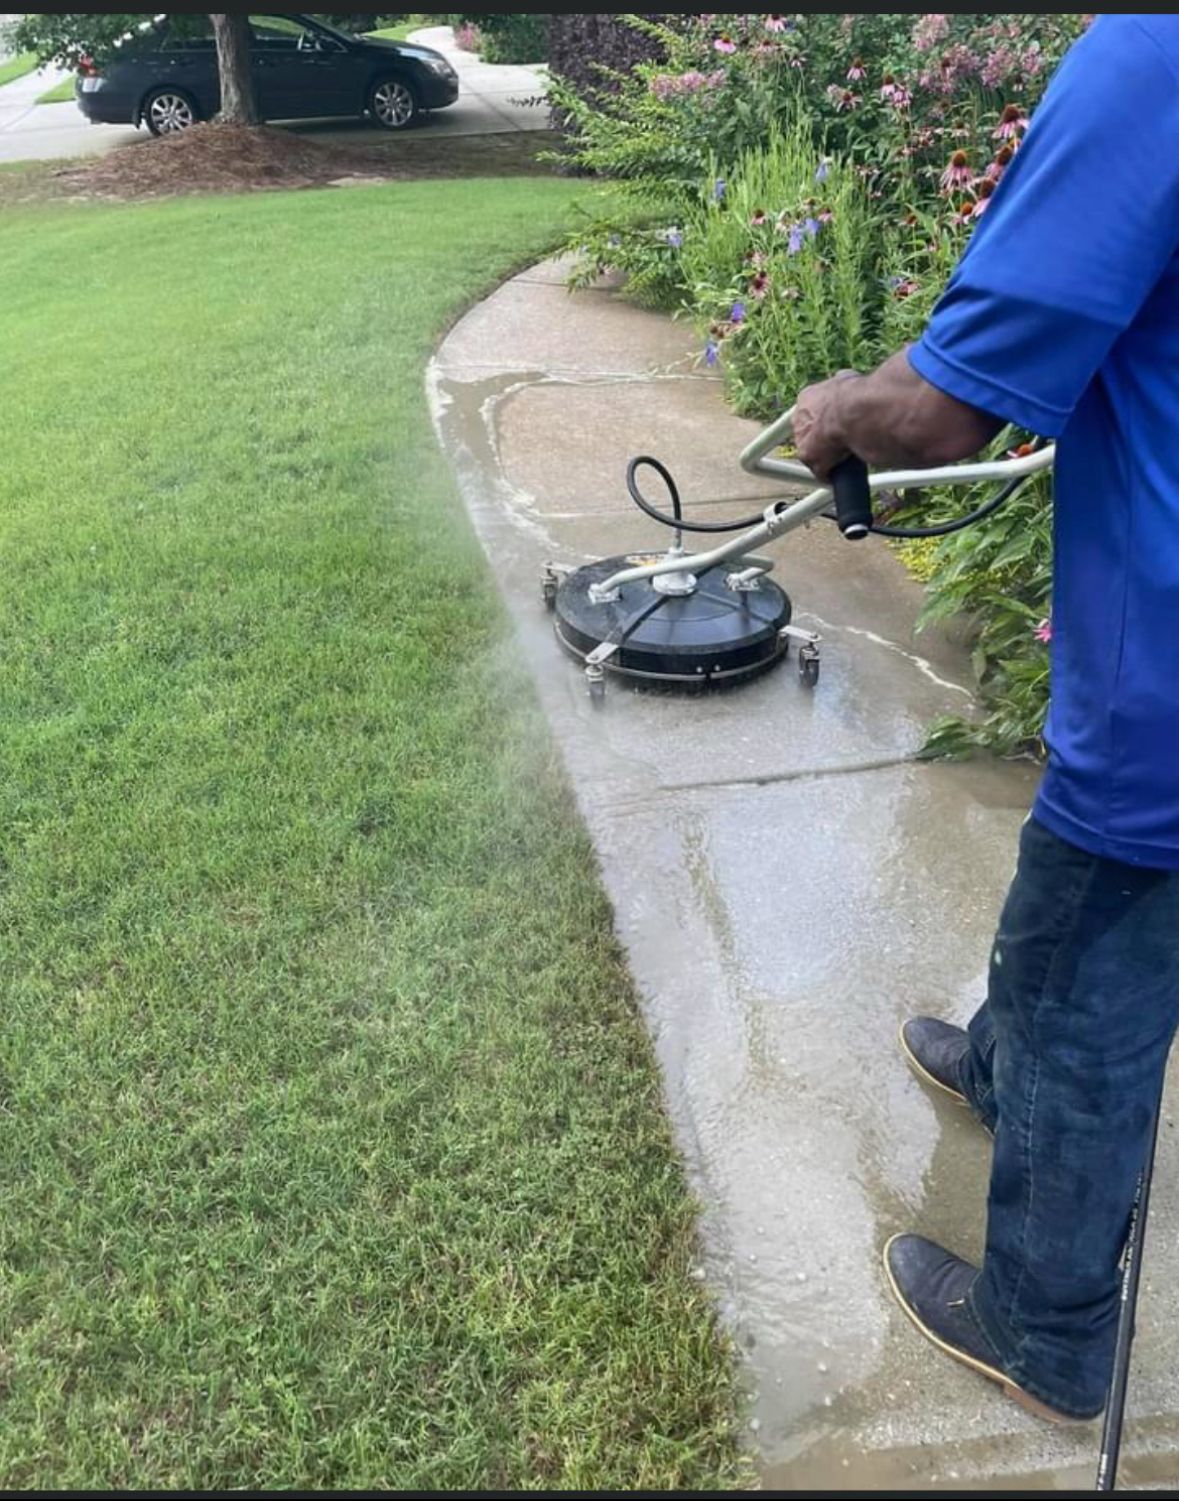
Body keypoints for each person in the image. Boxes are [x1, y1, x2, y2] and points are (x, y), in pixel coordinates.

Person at [793, 13, 1179, 1424]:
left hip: (1169, 692)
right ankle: (1004, 1071)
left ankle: (1048, 1328)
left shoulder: (1157, 55)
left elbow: (940, 414)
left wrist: (837, 408)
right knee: (1060, 911)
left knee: (1091, 968)